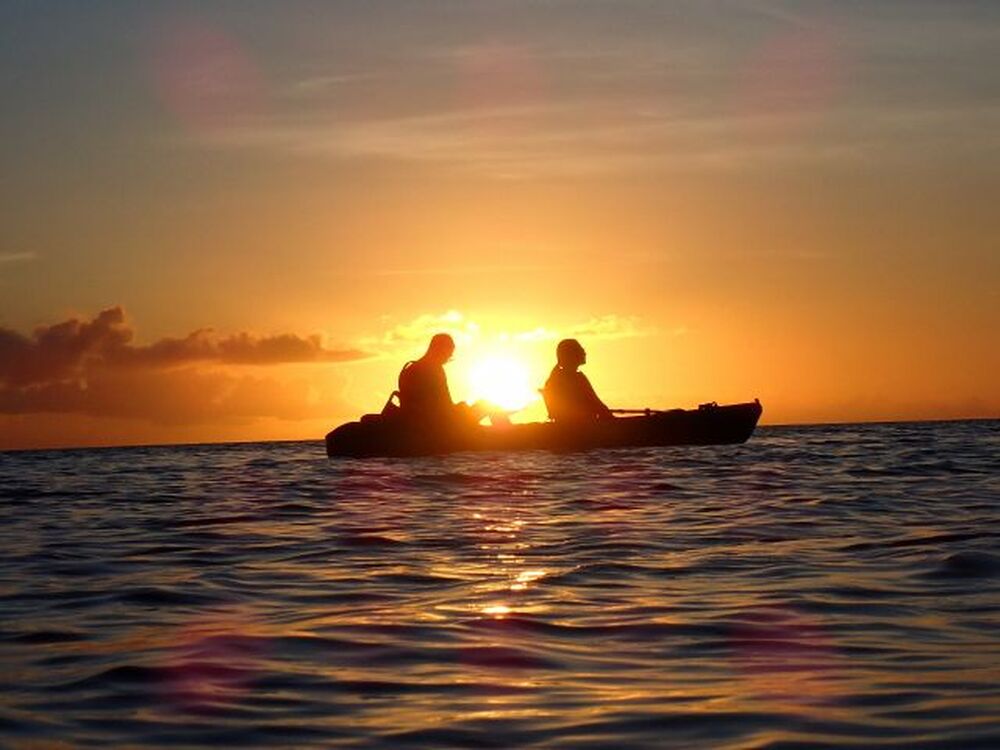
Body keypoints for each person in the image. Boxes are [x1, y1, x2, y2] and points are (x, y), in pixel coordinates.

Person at [397, 333, 485, 425]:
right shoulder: (434, 370)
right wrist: (462, 408)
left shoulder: (409, 368)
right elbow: (445, 406)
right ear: (440, 350)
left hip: (416, 421)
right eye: (449, 354)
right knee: (484, 406)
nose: (448, 358)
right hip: (437, 423)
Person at [542, 338, 613, 423]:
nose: (584, 353)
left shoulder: (555, 377)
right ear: (571, 355)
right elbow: (597, 404)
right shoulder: (576, 379)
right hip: (581, 426)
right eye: (581, 350)